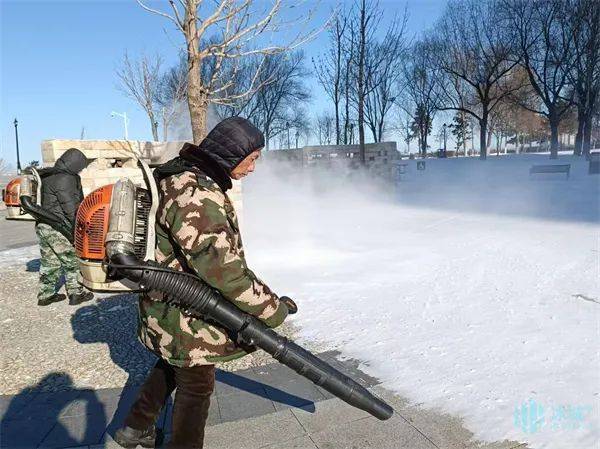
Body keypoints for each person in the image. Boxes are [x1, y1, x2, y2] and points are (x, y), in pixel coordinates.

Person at [114, 117, 297, 449]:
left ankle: (134, 427)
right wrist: (273, 310)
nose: (254, 167)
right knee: (196, 386)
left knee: (174, 364)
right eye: (252, 157)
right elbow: (225, 272)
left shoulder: (187, 178)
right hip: (186, 313)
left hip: (171, 305)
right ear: (231, 153)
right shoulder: (197, 193)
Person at [36, 148, 94, 306]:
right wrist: (78, 231)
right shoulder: (65, 178)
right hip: (58, 227)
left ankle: (45, 295)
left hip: (44, 225)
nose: (81, 169)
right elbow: (71, 209)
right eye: (81, 166)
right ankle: (76, 293)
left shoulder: (49, 175)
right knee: (72, 261)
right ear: (74, 163)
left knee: (50, 262)